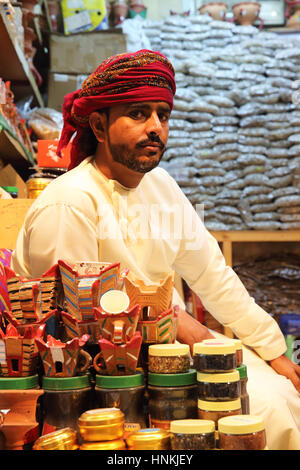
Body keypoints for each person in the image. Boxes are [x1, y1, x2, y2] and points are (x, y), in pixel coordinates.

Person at [11, 50, 300, 448]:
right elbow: (80, 315)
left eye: (162, 115)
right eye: (138, 113)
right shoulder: (69, 202)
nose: (155, 128)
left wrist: (273, 350)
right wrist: (189, 328)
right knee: (263, 408)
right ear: (98, 124)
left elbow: (214, 277)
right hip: (102, 372)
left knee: (284, 395)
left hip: (168, 354)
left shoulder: (162, 188)